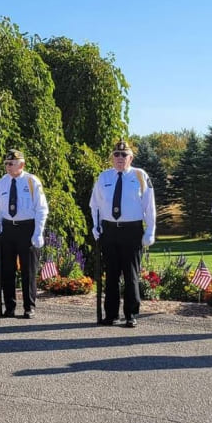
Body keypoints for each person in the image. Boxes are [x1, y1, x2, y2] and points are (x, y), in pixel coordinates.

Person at [89, 140, 157, 327]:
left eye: (124, 155)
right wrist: (96, 226)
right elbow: (95, 204)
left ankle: (131, 314)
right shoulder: (104, 177)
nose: (120, 158)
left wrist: (150, 230)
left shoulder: (140, 176)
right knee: (111, 275)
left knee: (131, 275)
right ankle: (110, 315)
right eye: (116, 155)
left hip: (131, 230)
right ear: (112, 158)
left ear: (131, 158)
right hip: (109, 230)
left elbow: (149, 206)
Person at [0, 149, 49, 319]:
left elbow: (41, 209)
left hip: (27, 228)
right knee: (6, 270)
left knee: (28, 270)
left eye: (11, 164)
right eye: (6, 164)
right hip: (8, 228)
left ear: (21, 164)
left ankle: (29, 307)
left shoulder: (32, 181)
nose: (8, 167)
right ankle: (9, 307)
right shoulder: (2, 182)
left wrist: (38, 232)